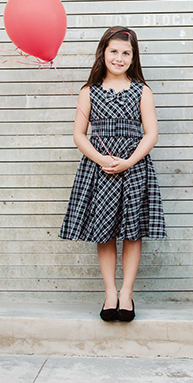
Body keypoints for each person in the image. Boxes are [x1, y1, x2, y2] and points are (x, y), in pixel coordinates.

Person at [59, 27, 165, 322]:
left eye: (126, 53)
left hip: (134, 167)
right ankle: (109, 293)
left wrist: (129, 161)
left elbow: (151, 133)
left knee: (132, 231)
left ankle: (127, 293)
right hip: (100, 169)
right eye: (114, 51)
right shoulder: (88, 91)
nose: (119, 58)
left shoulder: (142, 91)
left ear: (133, 57)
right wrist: (100, 158)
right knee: (103, 231)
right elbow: (79, 135)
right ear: (103, 53)